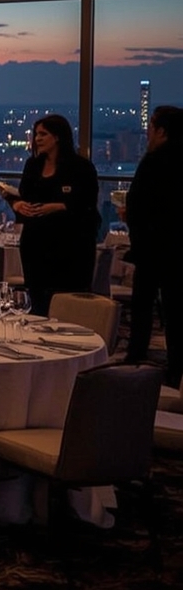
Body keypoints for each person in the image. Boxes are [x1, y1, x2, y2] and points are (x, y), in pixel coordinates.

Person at [12, 114, 98, 316]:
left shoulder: (81, 167)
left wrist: (58, 206)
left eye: (43, 134)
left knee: (66, 302)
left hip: (70, 245)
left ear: (58, 137)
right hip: (35, 243)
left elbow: (87, 204)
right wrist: (18, 205)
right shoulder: (32, 165)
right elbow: (23, 195)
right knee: (37, 299)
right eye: (36, 134)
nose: (37, 138)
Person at [121, 104, 183, 382]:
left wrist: (129, 214)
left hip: (152, 248)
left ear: (162, 131)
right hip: (175, 249)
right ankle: (176, 366)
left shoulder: (154, 161)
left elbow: (141, 203)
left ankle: (136, 358)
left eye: (150, 128)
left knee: (144, 305)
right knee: (175, 309)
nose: (147, 134)